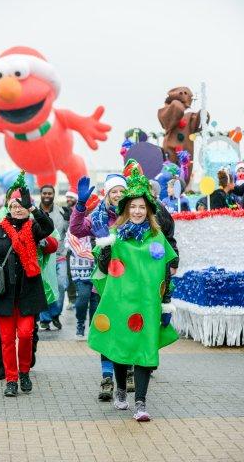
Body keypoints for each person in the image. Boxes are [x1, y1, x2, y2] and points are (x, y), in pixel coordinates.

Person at [88, 168, 179, 421]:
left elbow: (165, 271)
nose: (137, 211)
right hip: (120, 303)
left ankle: (140, 402)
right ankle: (120, 389)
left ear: (148, 210)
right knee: (121, 348)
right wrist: (104, 248)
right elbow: (104, 268)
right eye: (133, 207)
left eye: (141, 207)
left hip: (147, 304)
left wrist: (166, 302)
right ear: (125, 209)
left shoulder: (157, 236)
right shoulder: (115, 237)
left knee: (145, 351)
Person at [0, 186, 54, 397]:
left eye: (21, 206)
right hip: (3, 295)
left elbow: (48, 226)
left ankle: (24, 372)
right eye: (14, 206)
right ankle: (11, 379)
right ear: (8, 208)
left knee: (26, 335)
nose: (17, 209)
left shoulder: (34, 227)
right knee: (7, 340)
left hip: (28, 293)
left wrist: (33, 207)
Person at [70, 173, 128, 399]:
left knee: (127, 328)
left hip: (129, 285)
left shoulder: (134, 215)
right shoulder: (99, 217)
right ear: (107, 194)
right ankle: (107, 377)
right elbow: (76, 229)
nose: (118, 195)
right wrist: (81, 204)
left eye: (122, 191)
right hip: (105, 285)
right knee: (106, 327)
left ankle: (129, 372)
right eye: (114, 191)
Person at [65, 195, 100, 340]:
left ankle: (93, 328)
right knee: (83, 297)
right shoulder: (73, 227)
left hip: (97, 270)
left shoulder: (98, 224)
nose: (91, 213)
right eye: (89, 210)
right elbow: (79, 250)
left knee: (94, 299)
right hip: (80, 270)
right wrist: (100, 255)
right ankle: (80, 323)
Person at [39, 185, 70, 329]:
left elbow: (71, 232)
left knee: (61, 285)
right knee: (44, 288)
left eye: (49, 193)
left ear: (53, 194)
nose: (47, 195)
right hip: (42, 258)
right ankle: (44, 318)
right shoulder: (33, 212)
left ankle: (55, 314)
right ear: (40, 194)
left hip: (59, 256)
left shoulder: (63, 212)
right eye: (44, 193)